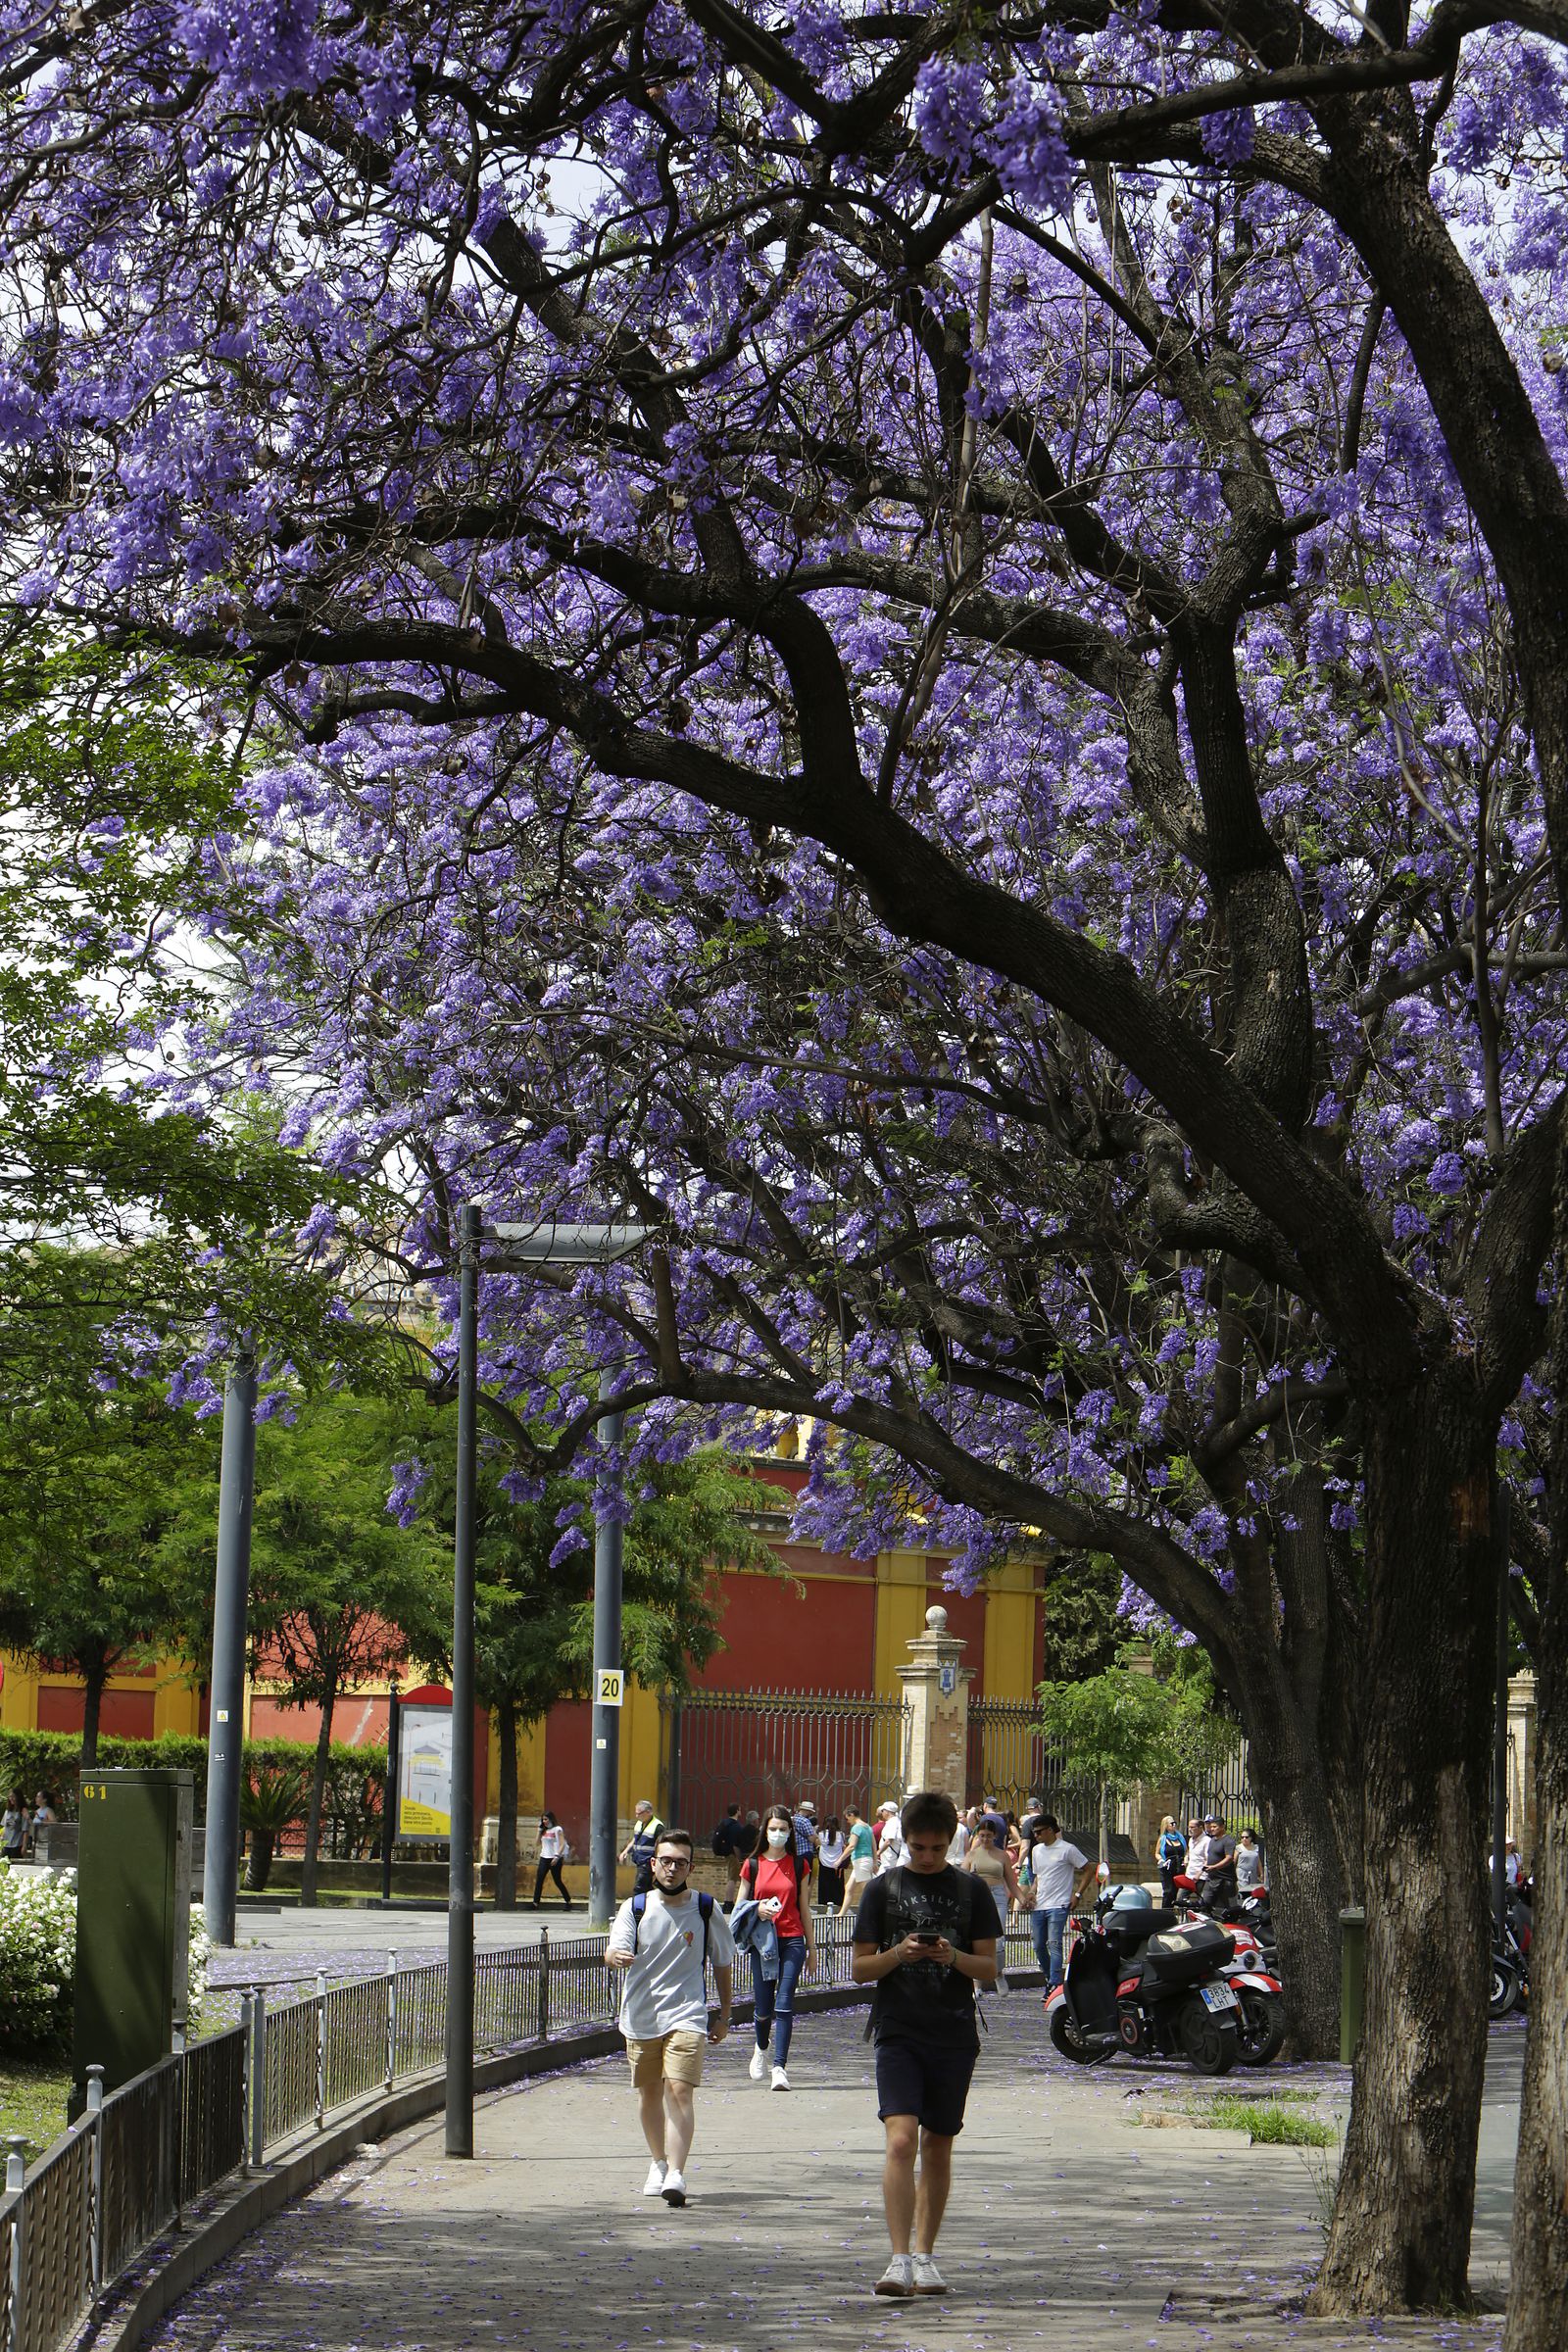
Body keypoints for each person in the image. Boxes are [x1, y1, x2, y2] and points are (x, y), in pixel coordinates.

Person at [852, 1788, 999, 2298]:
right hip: (898, 2028)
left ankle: (925, 2256)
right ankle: (897, 2261)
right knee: (900, 2139)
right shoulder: (881, 1890)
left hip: (954, 2031)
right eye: (918, 1848)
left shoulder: (970, 1891)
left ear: (950, 1842)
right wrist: (900, 1953)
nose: (928, 1858)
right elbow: (859, 1968)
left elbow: (989, 1966)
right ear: (904, 1841)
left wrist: (951, 1957)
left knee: (938, 2145)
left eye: (937, 1849)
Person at [605, 1827, 734, 2207]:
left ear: (690, 1867)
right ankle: (657, 2163)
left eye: (680, 1862)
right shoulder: (636, 1907)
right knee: (649, 2093)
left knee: (679, 2089)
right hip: (642, 2015)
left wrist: (724, 2015)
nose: (672, 1869)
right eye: (666, 1861)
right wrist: (616, 1957)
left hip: (687, 2013)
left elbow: (723, 1963)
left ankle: (676, 2173)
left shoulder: (706, 1908)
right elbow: (613, 1951)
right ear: (653, 1863)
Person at [736, 1802, 816, 2088]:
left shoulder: (799, 1864)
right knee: (764, 2004)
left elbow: (804, 1908)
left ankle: (779, 2067)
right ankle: (761, 2046)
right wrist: (757, 1910)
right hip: (762, 1943)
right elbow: (739, 1907)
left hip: (792, 1938)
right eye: (773, 1829)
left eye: (783, 1829)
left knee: (784, 2004)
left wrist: (812, 1948)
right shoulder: (753, 1864)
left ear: (790, 1832)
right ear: (765, 1831)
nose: (778, 1834)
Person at [1027, 1814, 1094, 1990]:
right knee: (1038, 1945)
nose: (1036, 1836)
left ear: (1050, 1830)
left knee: (1054, 1943)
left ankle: (1054, 1984)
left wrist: (1077, 1895)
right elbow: (1038, 1877)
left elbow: (1088, 1869)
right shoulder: (1036, 1850)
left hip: (1059, 1904)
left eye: (1039, 1832)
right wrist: (1031, 1892)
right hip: (1039, 1904)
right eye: (1034, 1833)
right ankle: (1050, 1978)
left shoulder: (1067, 1849)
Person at [958, 1816, 1020, 1934]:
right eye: (982, 1835)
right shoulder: (971, 1855)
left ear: (994, 1835)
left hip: (998, 1895)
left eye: (989, 1836)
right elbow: (962, 1879)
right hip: (977, 1895)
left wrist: (1023, 1900)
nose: (985, 1839)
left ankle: (998, 1952)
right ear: (978, 1835)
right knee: (978, 1933)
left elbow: (1012, 1883)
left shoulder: (1003, 1855)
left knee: (999, 1935)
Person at [618, 1798, 664, 1894]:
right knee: (647, 1887)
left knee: (639, 1887)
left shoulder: (658, 1826)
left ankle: (637, 1907)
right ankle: (655, 1902)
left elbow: (662, 1845)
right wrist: (625, 1852)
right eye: (636, 1813)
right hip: (639, 1860)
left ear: (648, 1812)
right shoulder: (639, 1824)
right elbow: (635, 1840)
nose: (636, 1816)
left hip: (648, 1861)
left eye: (639, 1813)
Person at [711, 1803, 752, 1908]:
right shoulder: (735, 1826)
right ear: (737, 1811)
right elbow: (735, 1845)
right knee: (732, 1878)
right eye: (740, 1809)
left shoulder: (725, 1823)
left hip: (727, 1853)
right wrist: (739, 1858)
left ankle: (728, 1902)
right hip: (732, 1854)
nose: (741, 1811)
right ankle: (728, 1902)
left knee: (732, 1877)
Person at [841, 1803, 877, 1916]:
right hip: (864, 1861)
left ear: (851, 1815)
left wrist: (840, 1859)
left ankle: (875, 1914)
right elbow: (874, 1845)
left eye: (847, 1818)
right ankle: (841, 1914)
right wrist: (874, 1861)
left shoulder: (856, 1828)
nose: (848, 1821)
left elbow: (851, 1846)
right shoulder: (867, 1827)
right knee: (849, 1887)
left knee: (868, 1890)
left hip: (861, 1861)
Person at [531, 1811, 572, 1909]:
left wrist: (557, 1856)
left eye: (546, 1819)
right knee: (539, 1880)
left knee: (557, 1881)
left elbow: (562, 1844)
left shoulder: (557, 1829)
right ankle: (535, 1903)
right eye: (543, 1819)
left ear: (551, 1819)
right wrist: (539, 1831)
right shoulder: (544, 1831)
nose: (544, 1821)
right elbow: (536, 1844)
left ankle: (568, 1901)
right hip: (544, 1857)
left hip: (555, 1859)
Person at [1199, 1814, 1238, 1912]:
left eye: (1214, 1826)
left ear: (1222, 1826)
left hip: (1226, 1881)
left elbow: (1229, 1858)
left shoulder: (1228, 1840)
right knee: (1204, 1906)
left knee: (1230, 1909)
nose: (1212, 1829)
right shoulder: (1212, 1840)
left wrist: (1214, 1867)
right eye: (1211, 1827)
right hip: (1211, 1880)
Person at [816, 1815, 847, 1911]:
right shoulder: (841, 1834)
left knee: (824, 1885)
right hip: (837, 1864)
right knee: (837, 1886)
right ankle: (838, 1904)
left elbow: (818, 1843)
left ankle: (824, 1904)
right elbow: (843, 1846)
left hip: (824, 1862)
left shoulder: (821, 1834)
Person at [1155, 1814, 1188, 1904]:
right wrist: (1161, 1860)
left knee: (1175, 1892)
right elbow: (1157, 1853)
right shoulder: (1163, 1839)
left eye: (1175, 1823)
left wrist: (1186, 1859)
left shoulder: (1180, 1838)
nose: (1174, 1825)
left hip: (1178, 1867)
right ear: (1166, 1825)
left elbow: (1186, 1851)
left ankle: (1172, 1911)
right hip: (1167, 1868)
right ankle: (1166, 1911)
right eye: (1171, 1823)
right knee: (1168, 1891)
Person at [876, 1800, 906, 1873]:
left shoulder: (892, 1822)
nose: (882, 1813)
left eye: (883, 1810)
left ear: (887, 1811)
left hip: (889, 1859)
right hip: (888, 1859)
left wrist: (878, 1852)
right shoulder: (894, 1821)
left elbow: (889, 1841)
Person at [2, 1788, 27, 1862]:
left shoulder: (23, 1811)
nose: (11, 1799)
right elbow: (4, 1827)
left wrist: (24, 1845)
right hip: (6, 1844)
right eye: (10, 1797)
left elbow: (25, 1830)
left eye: (13, 1796)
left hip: (17, 1844)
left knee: (15, 1866)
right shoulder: (8, 1811)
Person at [1235, 1828, 1263, 1892]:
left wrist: (1261, 1873)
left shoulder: (1256, 1847)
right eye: (1242, 1837)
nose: (1244, 1839)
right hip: (1241, 1874)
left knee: (1253, 1892)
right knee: (1243, 1892)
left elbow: (1258, 1861)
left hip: (1253, 1874)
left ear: (1251, 1838)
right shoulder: (1238, 1848)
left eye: (1246, 1837)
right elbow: (1234, 1862)